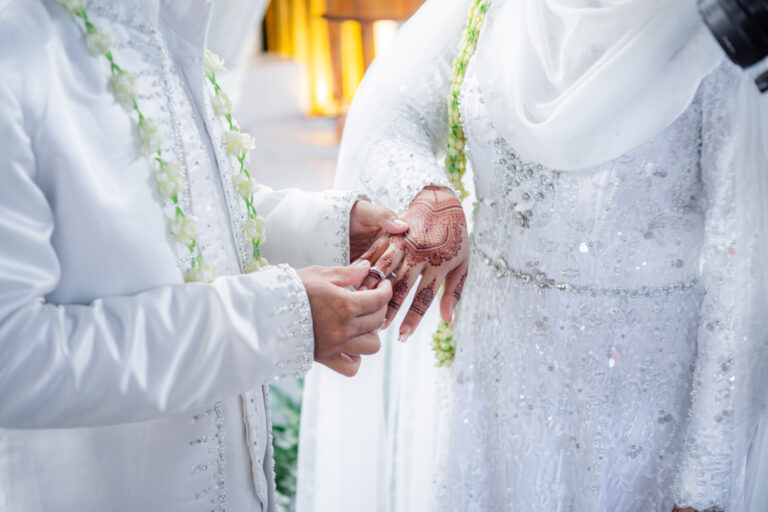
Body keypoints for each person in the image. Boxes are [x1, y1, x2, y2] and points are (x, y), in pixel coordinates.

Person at [298, 0, 768, 511]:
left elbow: (742, 269)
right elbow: (392, 116)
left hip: (640, 407)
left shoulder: (718, 28)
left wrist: (706, 476)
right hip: (494, 387)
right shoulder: (489, 9)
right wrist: (430, 193)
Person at [0, 0, 406, 510]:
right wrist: (274, 320)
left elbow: (175, 216)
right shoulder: (15, 51)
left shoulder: (163, 24)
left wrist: (324, 230)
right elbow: (11, 356)